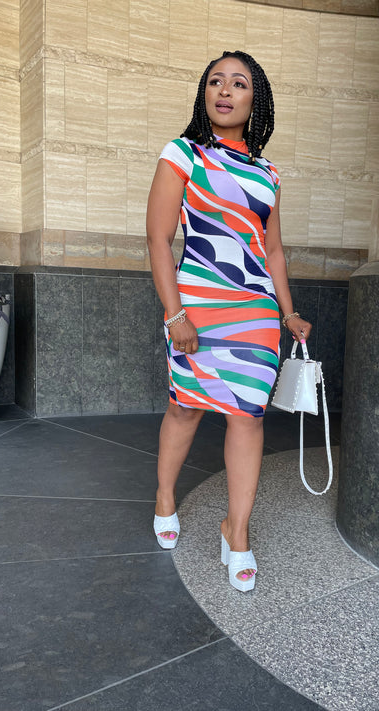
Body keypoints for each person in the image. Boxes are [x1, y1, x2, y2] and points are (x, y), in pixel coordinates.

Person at [146, 50, 311, 592]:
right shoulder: (183, 154)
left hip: (256, 310)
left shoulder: (268, 173)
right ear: (204, 93)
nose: (225, 90)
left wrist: (288, 311)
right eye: (216, 81)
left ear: (254, 99)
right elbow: (158, 239)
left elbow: (273, 250)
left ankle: (236, 532)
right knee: (186, 408)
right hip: (195, 305)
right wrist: (175, 314)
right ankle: (164, 497)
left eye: (238, 83)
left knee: (248, 417)